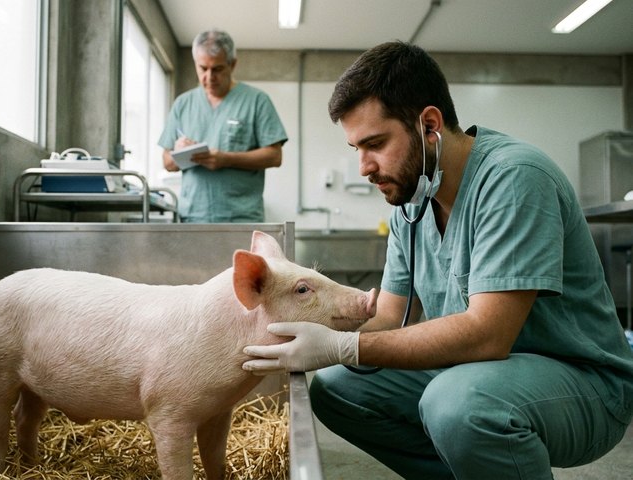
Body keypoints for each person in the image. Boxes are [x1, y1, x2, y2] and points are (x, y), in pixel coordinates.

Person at [242, 41, 633, 479]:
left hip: (583, 385)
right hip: (481, 374)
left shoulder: (515, 179)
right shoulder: (412, 205)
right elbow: (389, 317)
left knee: (456, 404)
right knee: (338, 387)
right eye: (356, 149)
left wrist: (343, 345)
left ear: (429, 124)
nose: (364, 167)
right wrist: (312, 328)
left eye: (375, 144)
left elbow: (488, 336)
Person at [158, 29, 287, 223]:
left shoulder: (257, 101)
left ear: (232, 64)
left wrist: (226, 159)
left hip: (242, 219)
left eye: (217, 69)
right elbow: (167, 162)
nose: (209, 77)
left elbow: (274, 156)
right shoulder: (183, 104)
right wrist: (179, 152)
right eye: (203, 68)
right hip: (193, 218)